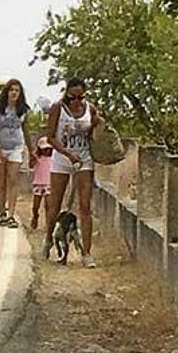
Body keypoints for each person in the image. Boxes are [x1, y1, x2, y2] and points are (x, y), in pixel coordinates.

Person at [43, 78, 104, 268]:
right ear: (66, 95)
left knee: (85, 205)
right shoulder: (57, 109)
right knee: (56, 203)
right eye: (73, 97)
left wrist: (99, 124)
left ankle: (86, 252)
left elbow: (97, 127)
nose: (77, 101)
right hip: (62, 159)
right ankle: (48, 239)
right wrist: (67, 153)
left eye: (81, 97)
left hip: (84, 159)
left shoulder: (90, 109)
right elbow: (50, 137)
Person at [0, 79, 34, 228]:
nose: (14, 93)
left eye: (17, 90)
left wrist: (31, 150)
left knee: (13, 179)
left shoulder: (23, 110)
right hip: (0, 147)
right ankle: (2, 210)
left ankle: (11, 214)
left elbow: (25, 131)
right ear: (6, 92)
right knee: (2, 181)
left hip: (16, 147)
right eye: (11, 90)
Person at [30, 136, 53, 230]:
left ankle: (48, 225)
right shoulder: (37, 158)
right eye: (44, 149)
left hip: (49, 184)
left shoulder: (53, 158)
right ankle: (35, 216)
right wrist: (33, 157)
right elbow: (31, 165)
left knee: (48, 205)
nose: (46, 151)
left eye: (48, 149)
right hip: (38, 183)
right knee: (35, 206)